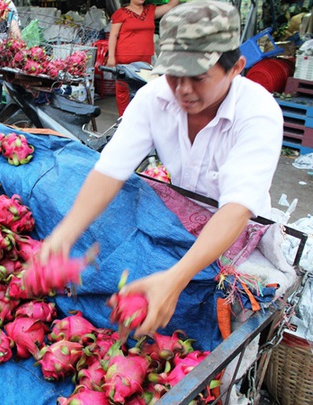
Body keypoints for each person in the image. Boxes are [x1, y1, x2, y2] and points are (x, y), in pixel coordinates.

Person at [40, 1, 283, 337]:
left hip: (235, 230)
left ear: (236, 67)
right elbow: (111, 170)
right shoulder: (154, 98)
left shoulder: (258, 112)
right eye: (173, 74)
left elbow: (237, 207)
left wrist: (175, 278)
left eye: (197, 77)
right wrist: (65, 233)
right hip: (174, 217)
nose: (183, 89)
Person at [107, 0, 179, 116]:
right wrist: (111, 57)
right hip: (125, 57)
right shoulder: (121, 13)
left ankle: (139, 117)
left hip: (145, 58)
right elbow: (113, 36)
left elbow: (171, 5)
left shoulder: (150, 10)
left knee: (143, 89)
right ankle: (124, 118)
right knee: (123, 90)